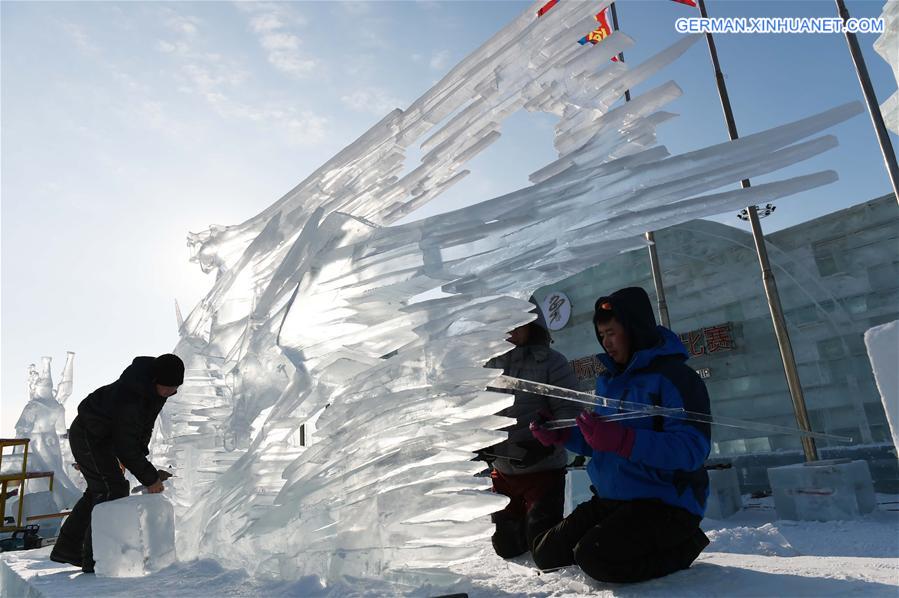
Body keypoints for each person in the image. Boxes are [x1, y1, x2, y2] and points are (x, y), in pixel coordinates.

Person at [529, 287, 711, 583]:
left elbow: (692, 448)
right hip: (612, 498)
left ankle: (687, 543)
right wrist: (562, 435)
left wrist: (623, 440)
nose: (606, 342)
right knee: (546, 553)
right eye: (601, 335)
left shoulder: (676, 378)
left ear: (635, 328)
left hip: (663, 503)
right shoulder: (609, 382)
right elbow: (601, 443)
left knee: (594, 558)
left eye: (612, 332)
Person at [50, 354, 184, 573]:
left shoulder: (154, 391)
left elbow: (141, 430)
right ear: (154, 380)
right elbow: (126, 442)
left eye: (174, 388)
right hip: (88, 434)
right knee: (111, 488)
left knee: (100, 490)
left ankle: (68, 548)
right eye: (167, 387)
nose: (170, 392)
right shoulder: (131, 396)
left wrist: (140, 458)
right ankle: (94, 558)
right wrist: (150, 478)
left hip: (105, 437)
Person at [483, 301, 582, 559]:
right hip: (503, 471)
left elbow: (569, 412)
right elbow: (478, 411)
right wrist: (480, 442)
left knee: (542, 546)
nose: (511, 330)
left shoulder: (552, 362)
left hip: (543, 470)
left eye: (518, 322)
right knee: (507, 548)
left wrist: (545, 446)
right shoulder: (488, 366)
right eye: (504, 323)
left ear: (533, 323)